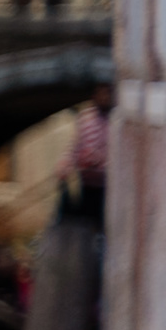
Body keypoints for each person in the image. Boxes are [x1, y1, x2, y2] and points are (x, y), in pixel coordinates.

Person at [66, 83, 112, 233]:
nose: (104, 98)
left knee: (104, 219)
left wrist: (102, 161)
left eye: (107, 94)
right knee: (88, 219)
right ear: (94, 97)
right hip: (87, 180)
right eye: (101, 94)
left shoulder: (116, 120)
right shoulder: (85, 118)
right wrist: (65, 166)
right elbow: (75, 145)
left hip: (108, 182)